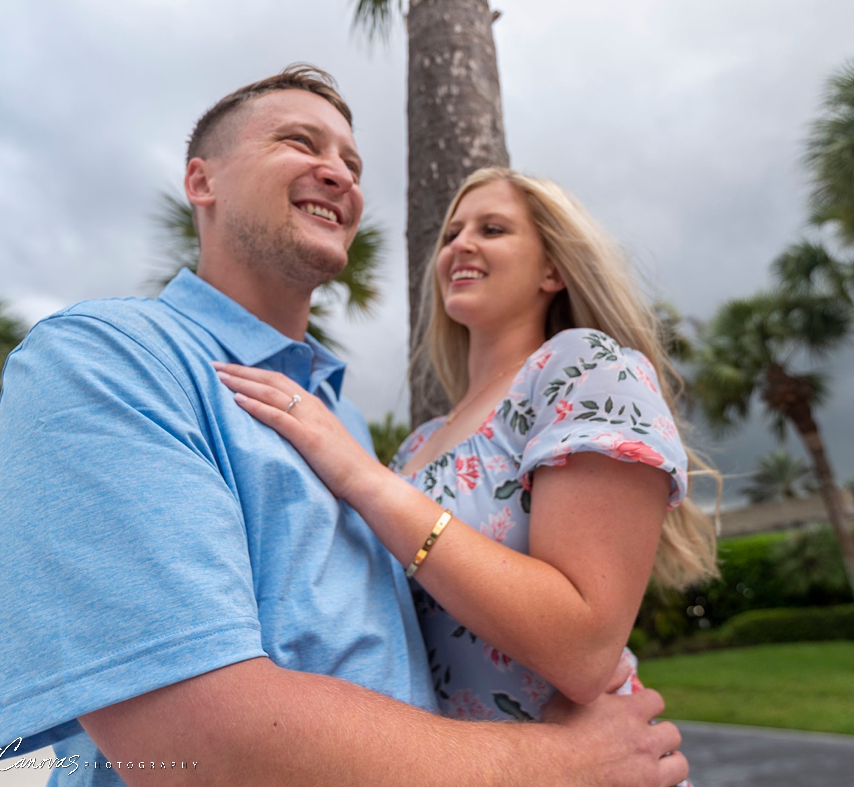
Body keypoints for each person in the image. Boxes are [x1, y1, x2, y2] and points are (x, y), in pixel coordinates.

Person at [0, 64, 689, 786]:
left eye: (352, 162)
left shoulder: (340, 420)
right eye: (299, 141)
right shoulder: (106, 360)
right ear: (202, 182)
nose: (340, 174)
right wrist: (559, 765)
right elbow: (190, 748)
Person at [212, 166, 719, 726]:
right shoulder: (417, 446)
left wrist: (364, 477)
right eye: (452, 233)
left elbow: (584, 650)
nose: (460, 245)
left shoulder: (582, 367)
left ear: (553, 268)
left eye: (493, 229)